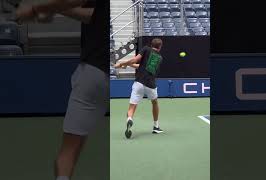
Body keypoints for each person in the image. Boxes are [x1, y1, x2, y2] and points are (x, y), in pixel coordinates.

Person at [16, 0, 107, 180]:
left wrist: (35, 8)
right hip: (121, 75)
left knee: (70, 149)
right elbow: (91, 15)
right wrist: (62, 11)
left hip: (94, 73)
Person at [114, 38, 164, 139]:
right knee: (154, 103)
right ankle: (156, 126)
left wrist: (122, 64)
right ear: (160, 47)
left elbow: (136, 60)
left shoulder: (146, 49)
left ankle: (129, 118)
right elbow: (142, 66)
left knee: (132, 106)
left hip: (139, 83)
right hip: (151, 85)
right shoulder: (159, 58)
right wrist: (128, 65)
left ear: (151, 45)